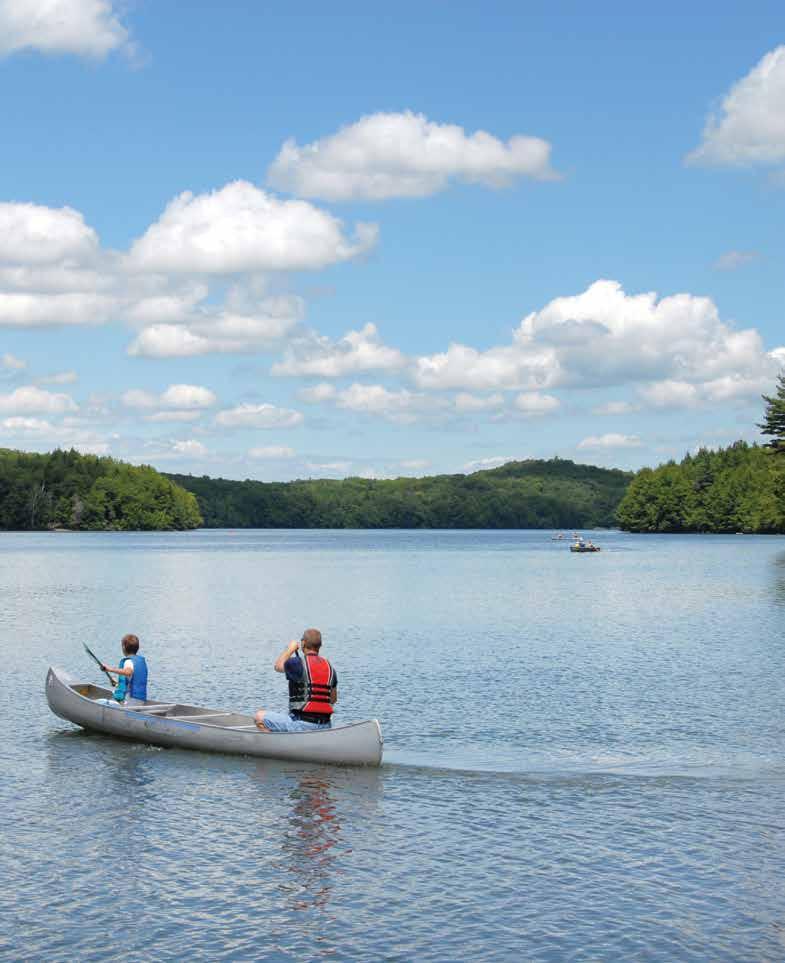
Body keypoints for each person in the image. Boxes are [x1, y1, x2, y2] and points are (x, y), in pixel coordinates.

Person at [255, 628, 337, 733]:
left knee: (259, 716)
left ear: (303, 643)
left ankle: (278, 742)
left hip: (302, 724)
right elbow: (333, 699)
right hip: (325, 725)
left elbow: (278, 666)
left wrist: (290, 649)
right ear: (320, 646)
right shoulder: (330, 667)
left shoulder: (297, 663)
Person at [100, 634, 149, 704]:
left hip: (129, 701)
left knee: (100, 701)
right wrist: (117, 684)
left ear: (123, 647)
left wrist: (110, 669)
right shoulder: (140, 661)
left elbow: (128, 672)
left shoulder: (128, 661)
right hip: (140, 701)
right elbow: (132, 680)